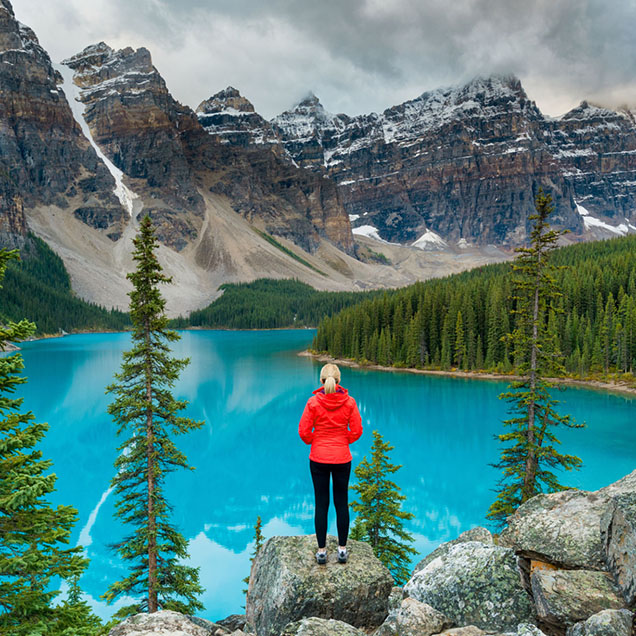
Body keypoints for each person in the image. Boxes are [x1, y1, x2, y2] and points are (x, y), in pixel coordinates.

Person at [298, 363, 363, 564]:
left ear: (322, 381)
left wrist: (314, 441)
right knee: (341, 502)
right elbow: (358, 430)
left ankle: (322, 551)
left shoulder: (313, 403)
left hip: (318, 458)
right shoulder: (350, 402)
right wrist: (345, 439)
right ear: (339, 381)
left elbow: (303, 431)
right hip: (342, 458)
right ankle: (342, 550)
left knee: (321, 503)